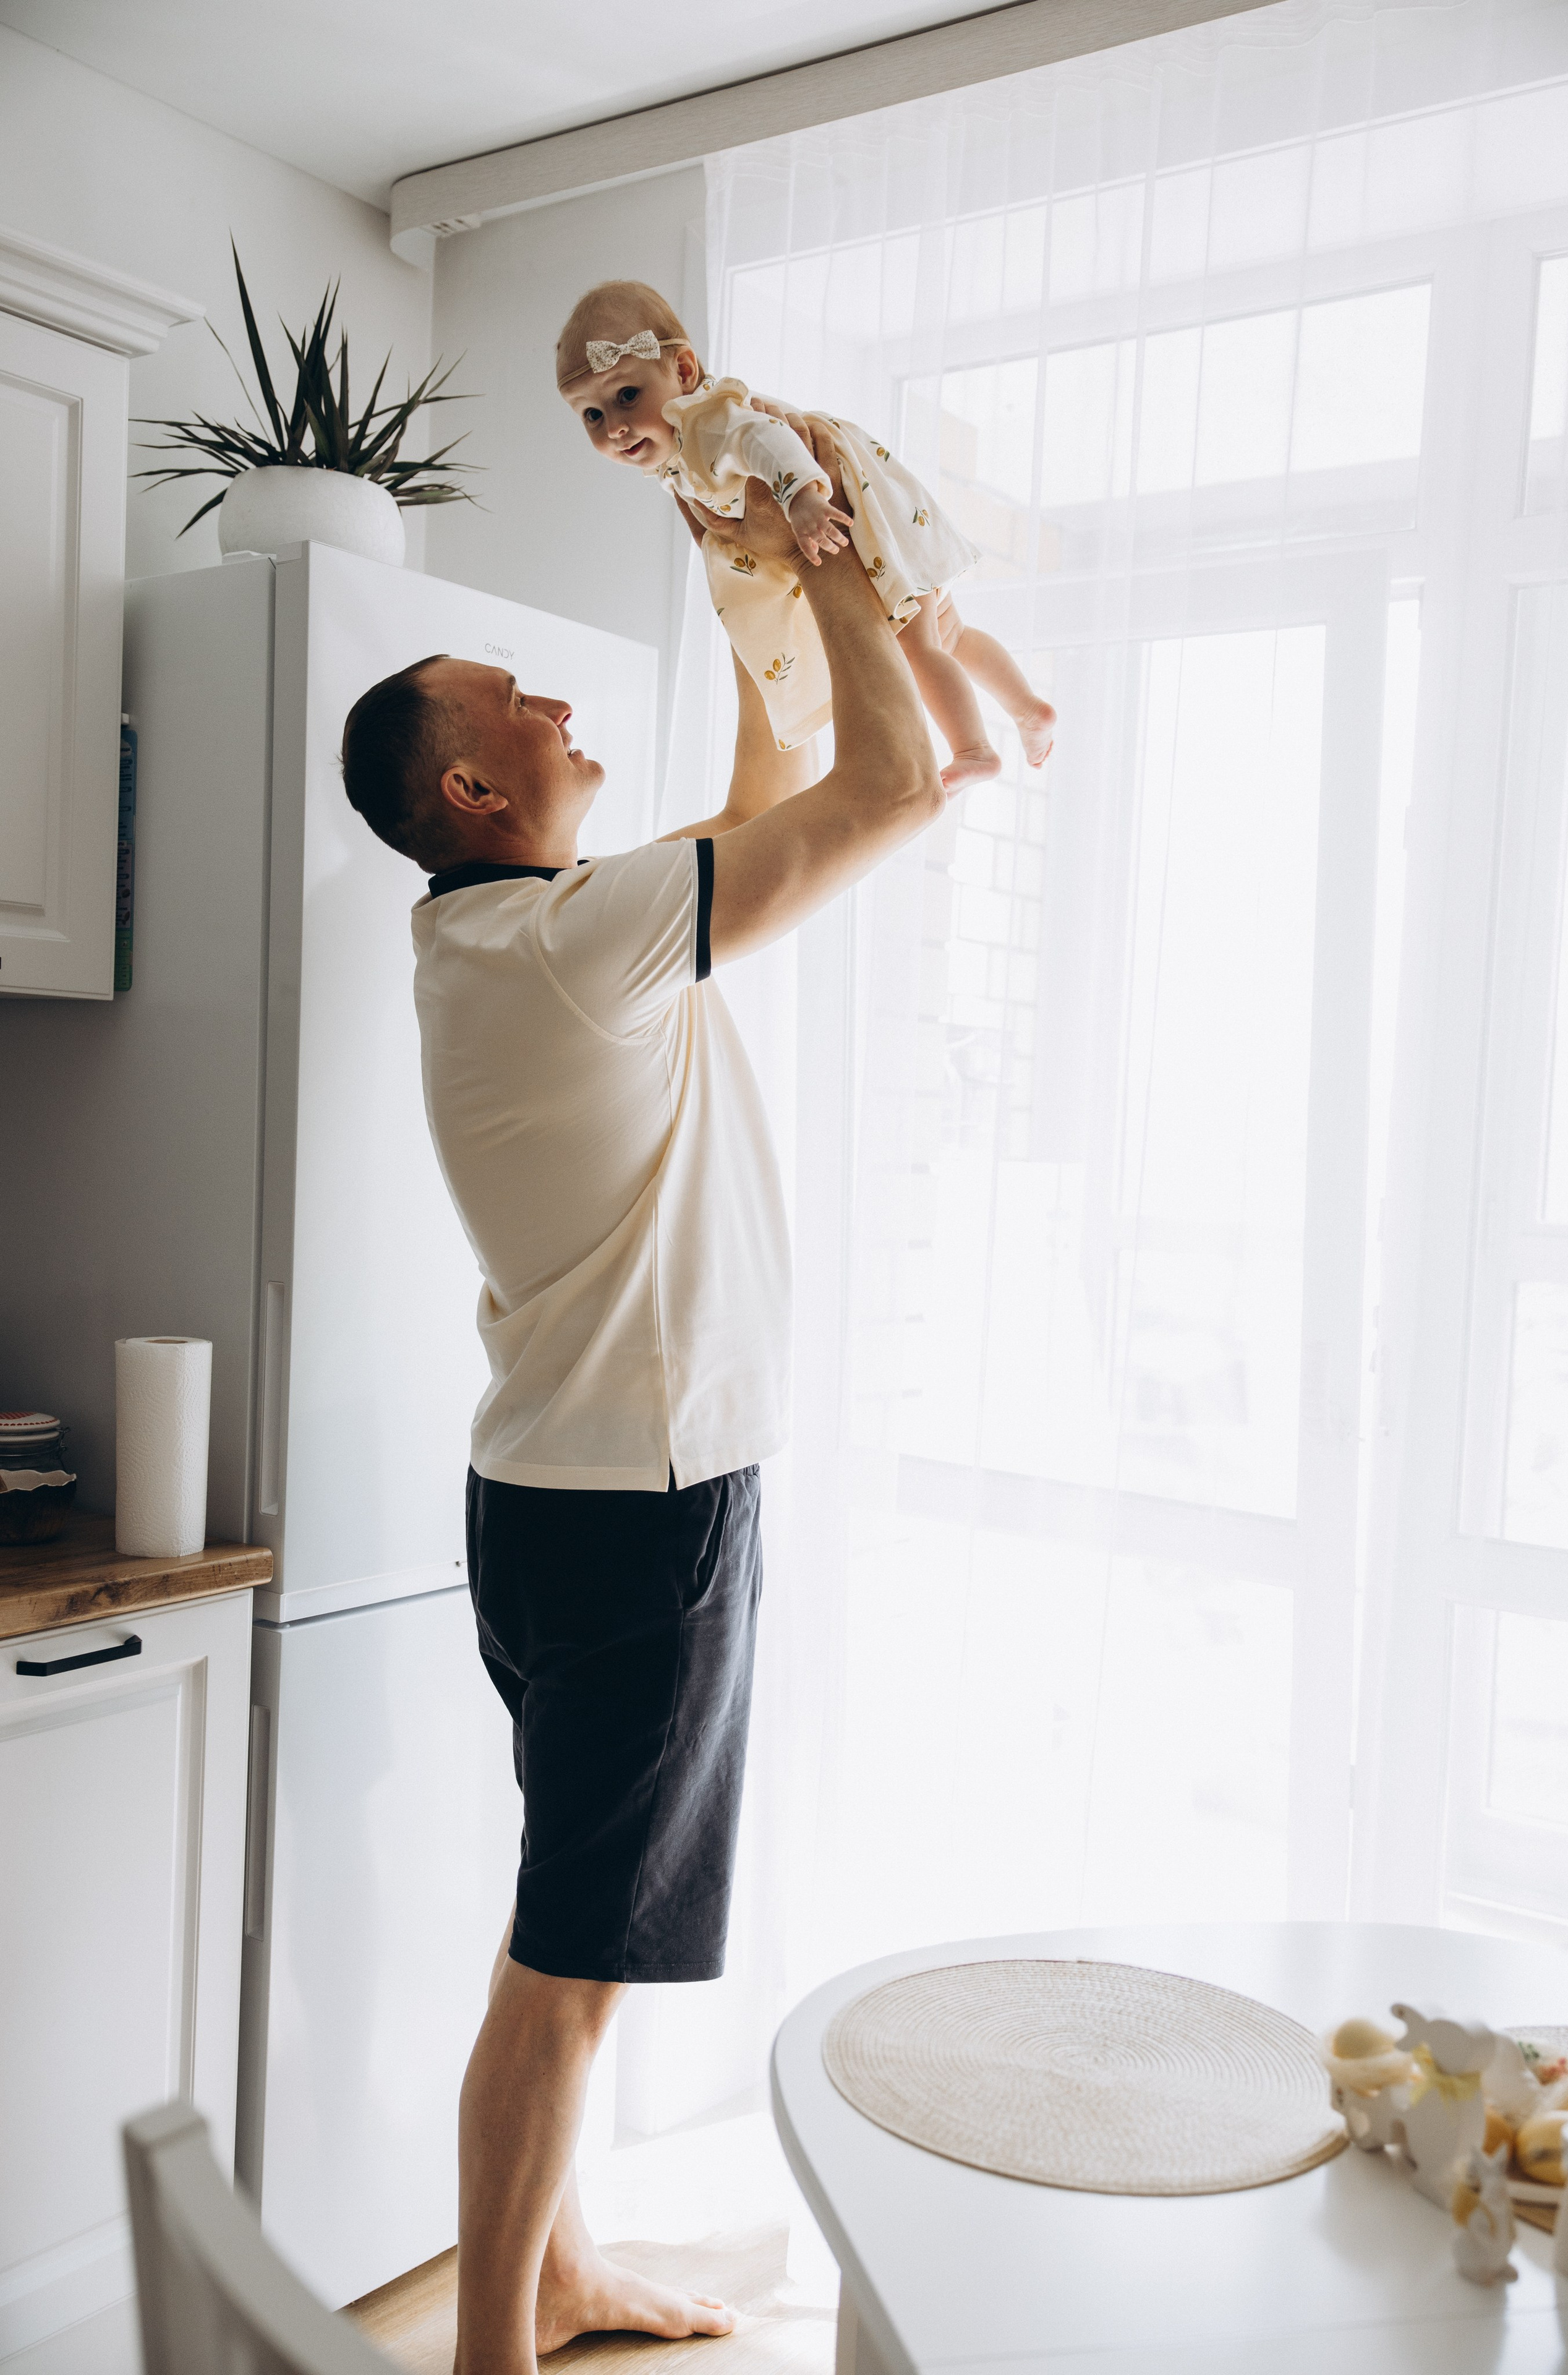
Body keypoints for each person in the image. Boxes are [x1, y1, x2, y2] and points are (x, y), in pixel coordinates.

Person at [338, 419, 942, 2375]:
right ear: (471, 784)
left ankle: (559, 2270)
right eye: (517, 700)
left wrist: (739, 575)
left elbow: (764, 799)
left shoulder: (512, 935)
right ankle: (491, 2350)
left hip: (555, 1499)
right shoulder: (577, 941)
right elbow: (891, 787)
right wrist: (833, 558)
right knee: (571, 1968)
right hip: (642, 1512)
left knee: (559, 1919)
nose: (557, 706)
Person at [555, 276, 1057, 792]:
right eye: (593, 415)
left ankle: (975, 750)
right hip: (867, 519)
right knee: (950, 634)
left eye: (627, 395)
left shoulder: (707, 421)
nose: (614, 427)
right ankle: (1028, 708)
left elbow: (765, 439)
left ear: (683, 370)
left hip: (855, 515)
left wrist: (802, 498)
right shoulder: (676, 451)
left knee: (918, 646)